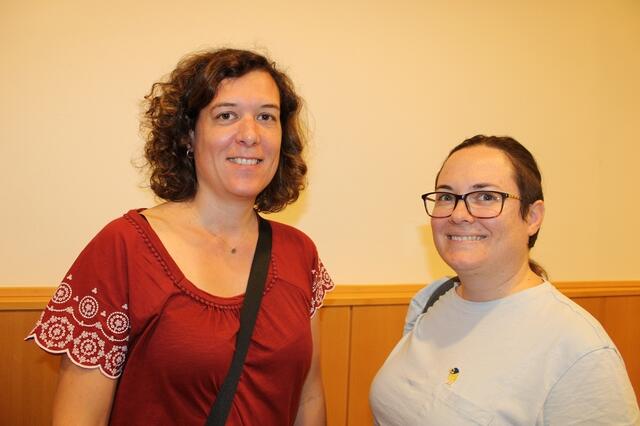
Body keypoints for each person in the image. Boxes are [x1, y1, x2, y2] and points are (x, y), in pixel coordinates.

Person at [26, 48, 334, 425]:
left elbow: (309, 396)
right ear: (189, 134)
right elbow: (78, 418)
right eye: (226, 115)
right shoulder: (124, 247)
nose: (250, 135)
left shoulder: (300, 253)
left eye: (266, 117)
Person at [370, 135, 639, 425]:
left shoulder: (579, 351)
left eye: (486, 197)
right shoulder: (431, 299)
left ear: (532, 216)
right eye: (446, 197)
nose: (459, 214)